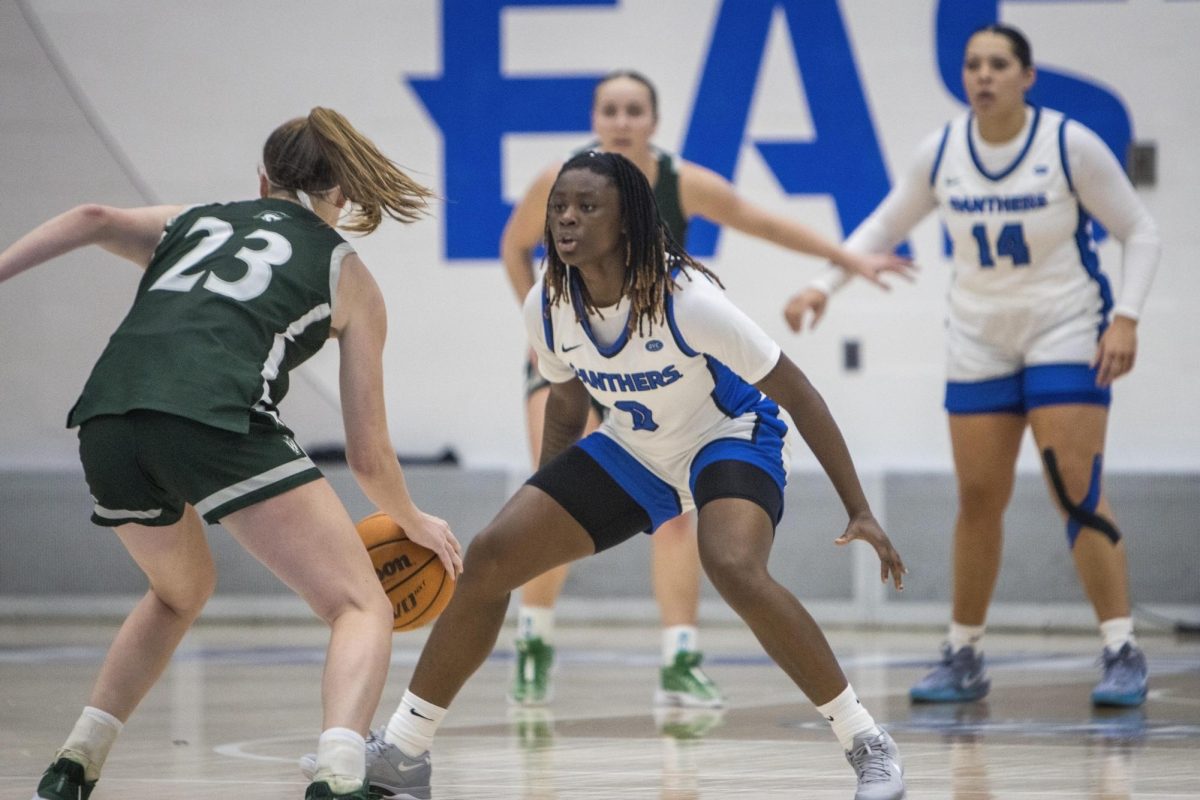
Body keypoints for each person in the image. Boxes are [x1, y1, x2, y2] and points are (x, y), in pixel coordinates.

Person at [313, 150, 909, 800]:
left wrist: (860, 507)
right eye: (559, 206)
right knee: (488, 559)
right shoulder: (548, 303)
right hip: (638, 447)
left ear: (626, 221)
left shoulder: (689, 300)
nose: (567, 218)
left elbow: (800, 392)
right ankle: (405, 749)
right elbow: (567, 403)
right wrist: (543, 499)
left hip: (730, 436)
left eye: (587, 206)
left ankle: (867, 742)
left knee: (732, 564)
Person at [1, 107, 465, 800]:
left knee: (177, 592)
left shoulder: (196, 221)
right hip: (215, 417)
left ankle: (76, 760)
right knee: (360, 605)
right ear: (341, 193)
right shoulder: (351, 277)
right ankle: (340, 778)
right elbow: (369, 457)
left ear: (262, 180)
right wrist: (414, 517)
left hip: (106, 417)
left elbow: (93, 215)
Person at [499, 69, 911, 709]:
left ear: (654, 121)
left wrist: (849, 261)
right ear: (595, 117)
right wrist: (544, 324)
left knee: (677, 522)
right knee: (552, 496)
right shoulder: (561, 182)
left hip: (665, 357)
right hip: (580, 362)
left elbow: (762, 222)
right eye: (610, 109)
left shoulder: (680, 182)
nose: (622, 120)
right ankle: (532, 641)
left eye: (635, 109)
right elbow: (514, 246)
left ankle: (680, 657)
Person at [784, 24, 1159, 708]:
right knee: (978, 499)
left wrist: (1127, 316)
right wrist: (823, 284)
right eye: (972, 65)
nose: (982, 76)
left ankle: (1121, 646)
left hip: (1066, 327)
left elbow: (1140, 229)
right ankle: (964, 652)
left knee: (1075, 489)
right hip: (979, 338)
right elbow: (882, 226)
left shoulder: (1067, 144)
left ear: (1026, 75)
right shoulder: (944, 151)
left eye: (997, 64)